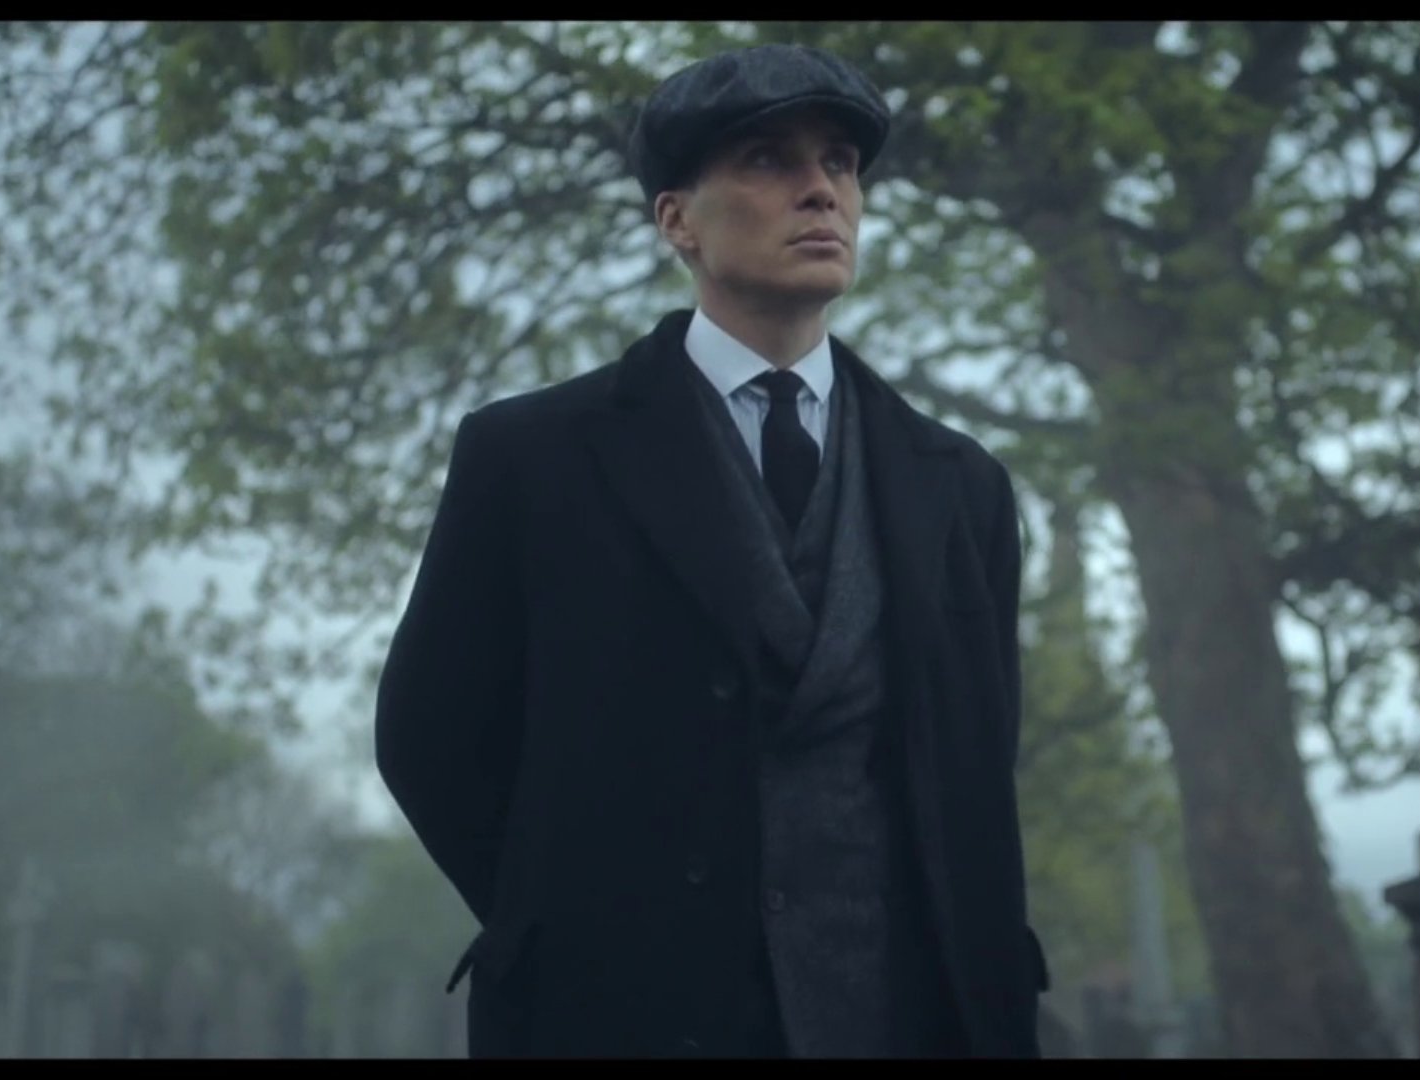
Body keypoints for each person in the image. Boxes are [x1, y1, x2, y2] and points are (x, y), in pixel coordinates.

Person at [373, 42, 1046, 1059]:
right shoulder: (532, 458)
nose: (820, 191)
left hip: (908, 1019)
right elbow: (430, 738)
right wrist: (567, 922)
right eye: (769, 160)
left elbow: (977, 771)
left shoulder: (961, 486)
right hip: (620, 1021)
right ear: (676, 219)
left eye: (839, 163)